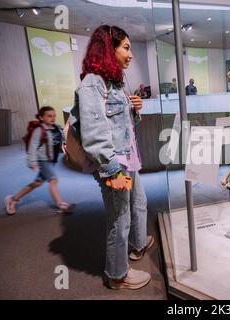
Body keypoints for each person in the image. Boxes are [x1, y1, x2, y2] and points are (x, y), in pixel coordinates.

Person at [72, 25, 153, 290]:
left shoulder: (115, 83)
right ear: (110, 48)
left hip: (127, 157)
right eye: (126, 48)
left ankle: (137, 245)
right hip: (114, 163)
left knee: (138, 203)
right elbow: (94, 133)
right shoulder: (92, 83)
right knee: (120, 219)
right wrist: (113, 169)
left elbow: (124, 127)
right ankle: (117, 275)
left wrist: (135, 111)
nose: (130, 54)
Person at [4, 106, 74, 215]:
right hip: (43, 160)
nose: (52, 118)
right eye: (49, 116)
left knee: (36, 183)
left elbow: (60, 140)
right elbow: (33, 146)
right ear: (41, 118)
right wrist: (32, 162)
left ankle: (13, 199)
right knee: (53, 180)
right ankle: (60, 205)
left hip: (51, 161)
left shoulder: (55, 128)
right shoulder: (39, 130)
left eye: (54, 115)